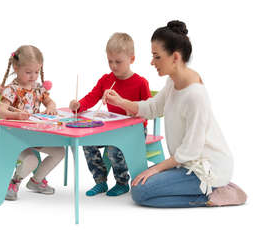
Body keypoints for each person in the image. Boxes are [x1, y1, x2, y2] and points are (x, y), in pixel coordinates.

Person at [103, 21, 242, 207]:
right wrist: (121, 102)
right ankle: (208, 189)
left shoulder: (195, 95)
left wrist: (158, 168)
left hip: (206, 168)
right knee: (138, 180)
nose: (152, 62)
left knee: (140, 192)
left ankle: (214, 194)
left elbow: (191, 150)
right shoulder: (173, 81)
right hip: (186, 163)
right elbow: (154, 108)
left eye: (157, 57)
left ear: (175, 57)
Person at [69, 33, 151, 196]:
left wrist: (132, 111)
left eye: (118, 62)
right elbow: (91, 97)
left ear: (131, 59)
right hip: (111, 128)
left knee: (114, 148)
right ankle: (100, 182)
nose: (113, 66)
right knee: (87, 141)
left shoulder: (141, 82)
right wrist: (79, 105)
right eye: (110, 61)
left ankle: (122, 182)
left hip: (135, 130)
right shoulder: (106, 80)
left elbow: (149, 109)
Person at [0, 45, 65, 201]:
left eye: (36, 72)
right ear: (16, 67)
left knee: (60, 151)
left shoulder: (38, 88)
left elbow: (50, 102)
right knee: (31, 160)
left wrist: (51, 107)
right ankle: (14, 182)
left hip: (33, 137)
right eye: (28, 72)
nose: (33, 76)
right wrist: (16, 115)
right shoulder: (11, 89)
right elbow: (1, 111)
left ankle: (36, 181)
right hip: (13, 137)